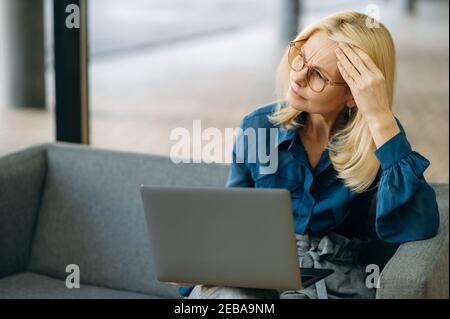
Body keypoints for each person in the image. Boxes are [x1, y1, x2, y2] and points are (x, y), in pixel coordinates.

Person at [172, 11, 440, 299]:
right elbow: (236, 217)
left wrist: (378, 116)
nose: (297, 77)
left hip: (333, 279)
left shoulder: (380, 138)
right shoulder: (259, 126)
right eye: (301, 58)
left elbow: (416, 227)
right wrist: (200, 263)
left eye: (319, 76)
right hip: (256, 273)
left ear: (354, 94)